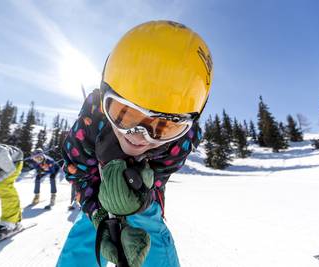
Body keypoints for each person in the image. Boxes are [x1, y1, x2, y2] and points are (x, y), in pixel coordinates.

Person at [56, 20, 213, 267]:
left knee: (148, 226)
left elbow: (158, 179)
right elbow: (78, 173)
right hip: (97, 186)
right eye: (125, 114)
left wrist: (141, 194)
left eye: (162, 127)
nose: (139, 136)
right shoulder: (90, 123)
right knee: (86, 233)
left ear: (184, 126)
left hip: (142, 190)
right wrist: (98, 215)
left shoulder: (178, 143)